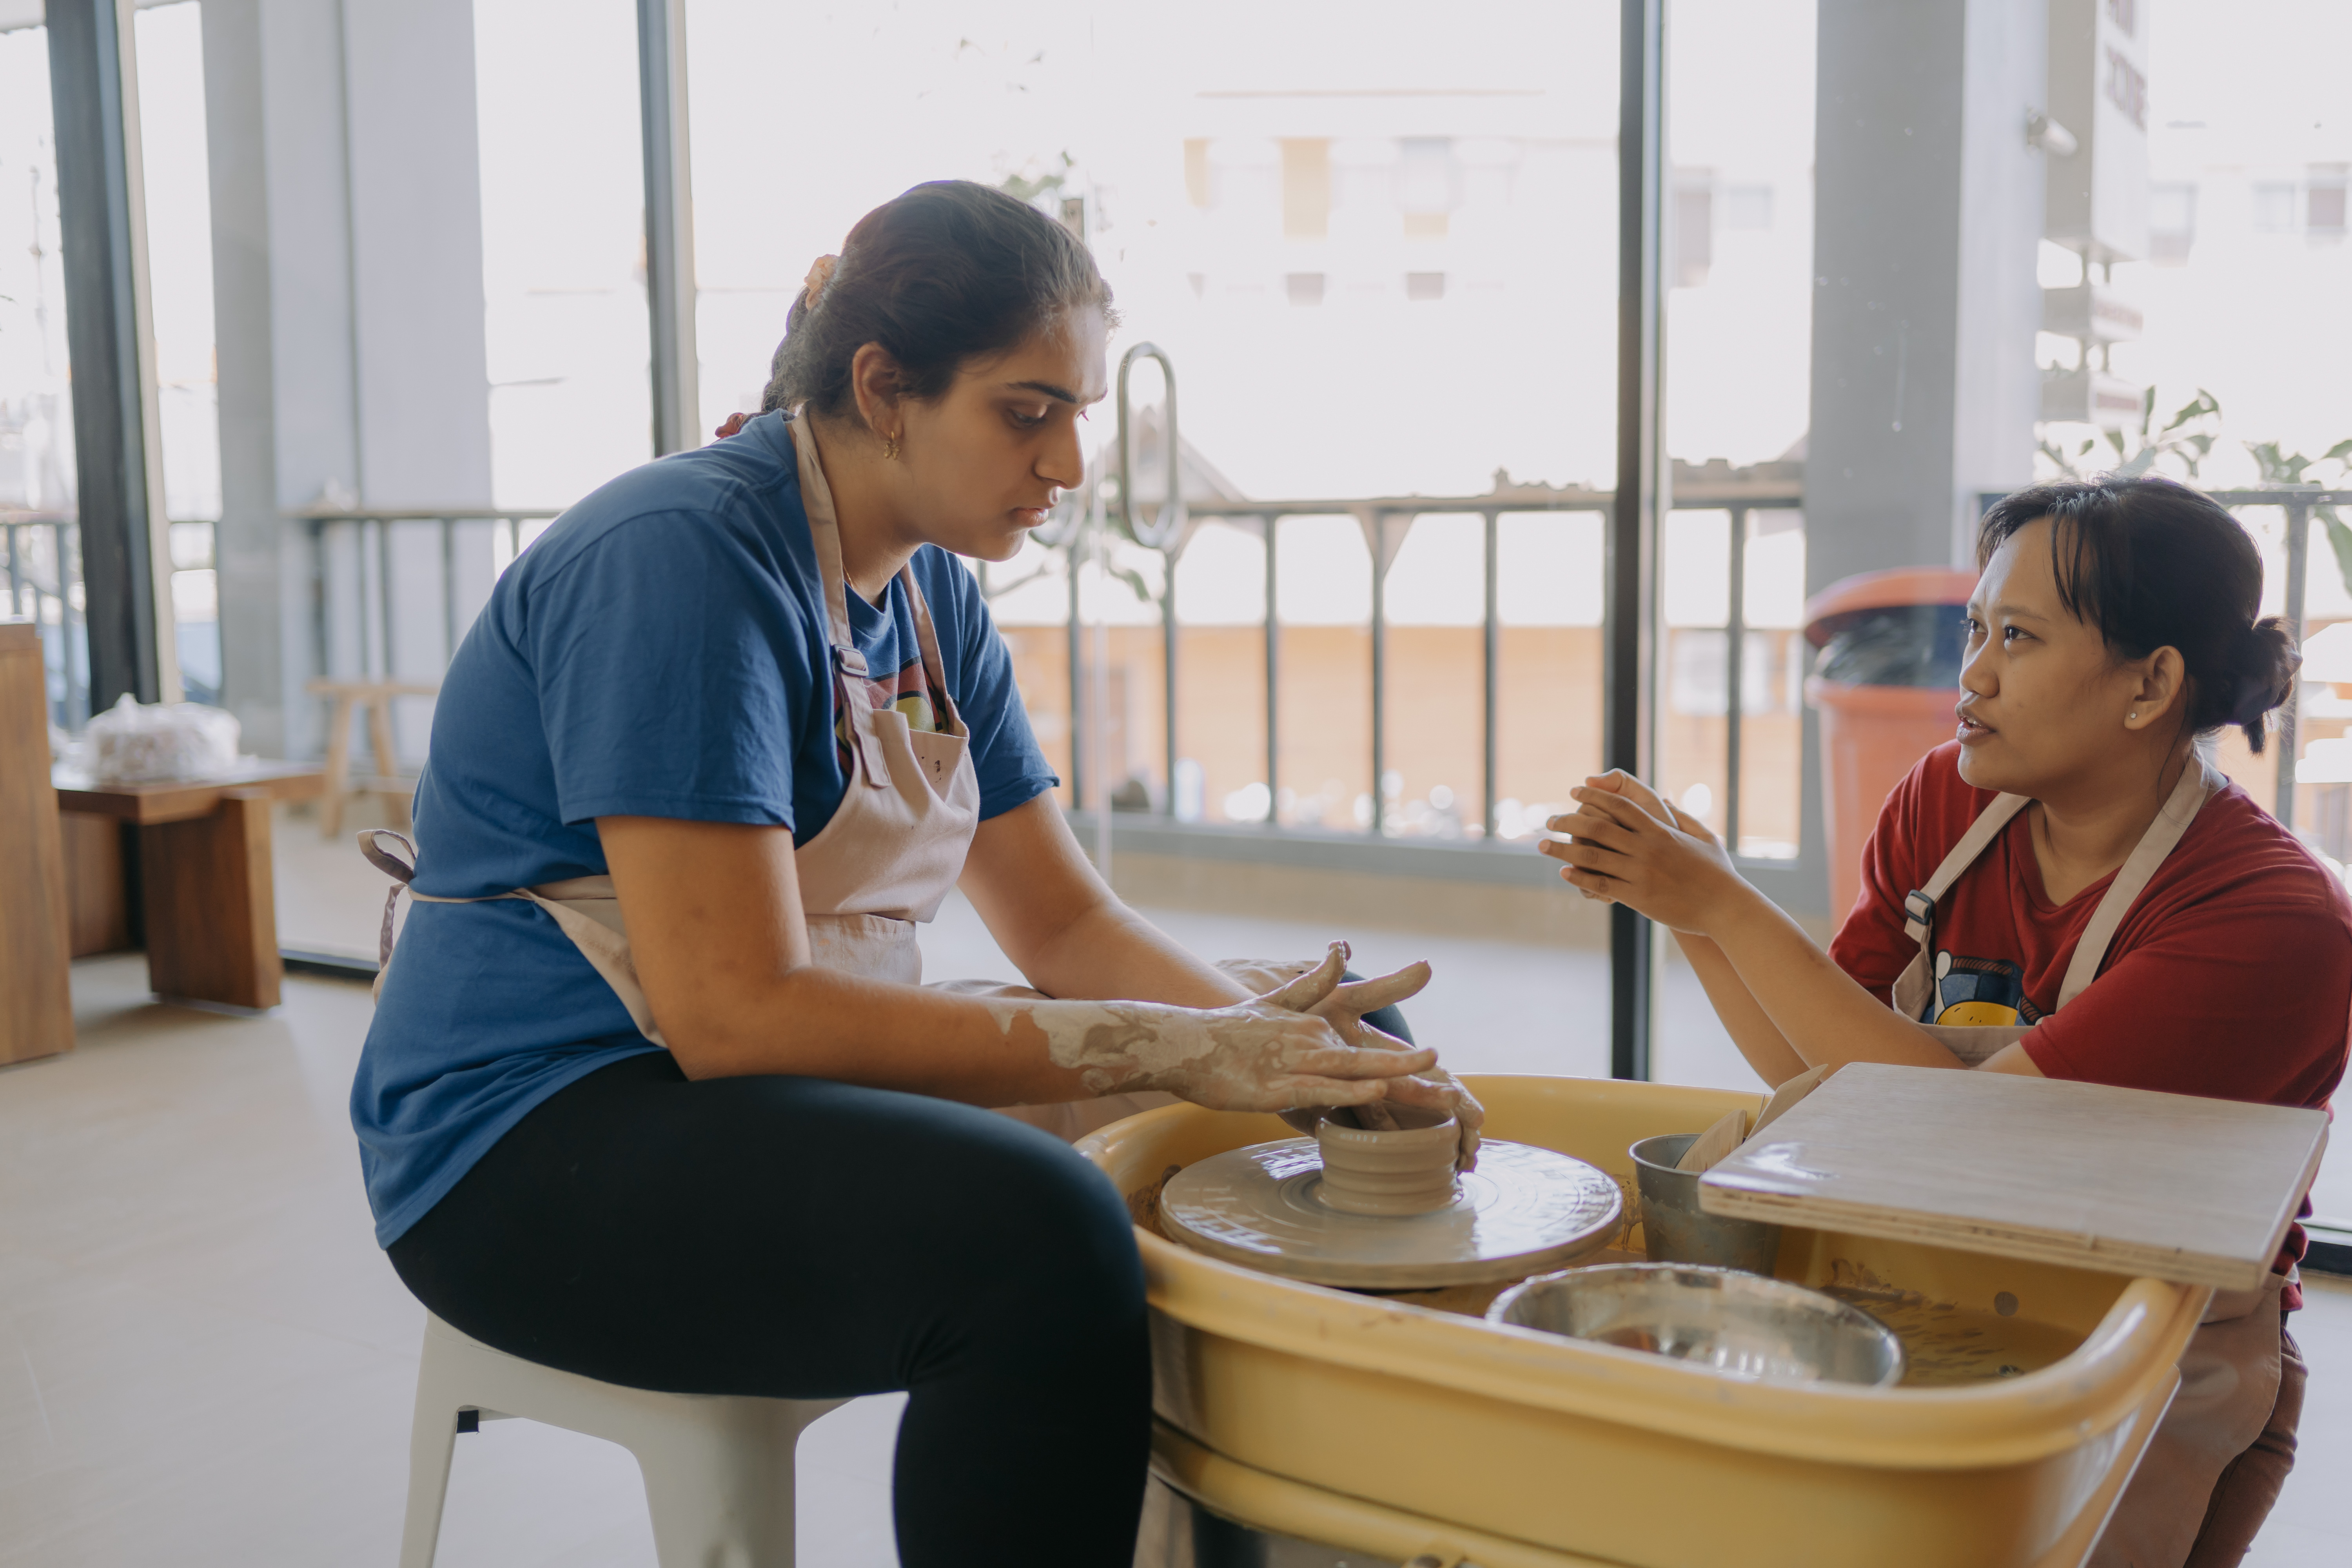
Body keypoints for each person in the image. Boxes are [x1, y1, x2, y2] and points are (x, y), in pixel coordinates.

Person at [351, 180, 1479, 1567]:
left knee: (1353, 1038)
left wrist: (1285, 1053)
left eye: (1079, 417)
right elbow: (735, 1017)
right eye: (1029, 412)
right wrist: (1182, 1048)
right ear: (885, 388)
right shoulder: (684, 561)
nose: (1069, 466)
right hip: (532, 1142)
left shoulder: (935, 597)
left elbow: (1064, 919)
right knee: (1037, 1237)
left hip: (766, 1088)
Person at [1541, 477, 2346, 1568]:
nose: (1971, 675)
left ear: (2151, 684)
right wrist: (1688, 907)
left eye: (2016, 636)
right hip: (1930, 1273)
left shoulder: (2274, 922)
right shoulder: (1949, 802)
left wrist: (1728, 904)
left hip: (2160, 1355)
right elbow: (1815, 1084)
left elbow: (1955, 1134)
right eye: (1975, 628)